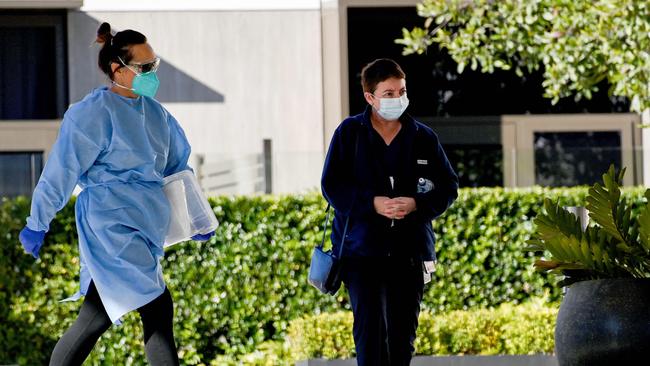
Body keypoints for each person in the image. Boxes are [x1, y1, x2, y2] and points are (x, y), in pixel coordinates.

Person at [18, 23, 213, 365]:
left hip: (145, 228)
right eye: (144, 68)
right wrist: (38, 220)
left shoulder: (157, 115)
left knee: (96, 317)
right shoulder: (93, 113)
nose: (153, 74)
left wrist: (197, 217)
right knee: (155, 309)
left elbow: (178, 169)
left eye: (155, 65)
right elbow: (62, 171)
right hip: (111, 226)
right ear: (117, 69)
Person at [321, 58, 459, 365]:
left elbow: (448, 187)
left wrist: (416, 204)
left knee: (402, 338)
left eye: (402, 91)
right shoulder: (349, 134)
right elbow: (331, 185)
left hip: (409, 253)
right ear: (370, 97)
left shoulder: (423, 136)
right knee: (370, 335)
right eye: (389, 93)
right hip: (361, 253)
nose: (398, 98)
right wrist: (372, 204)